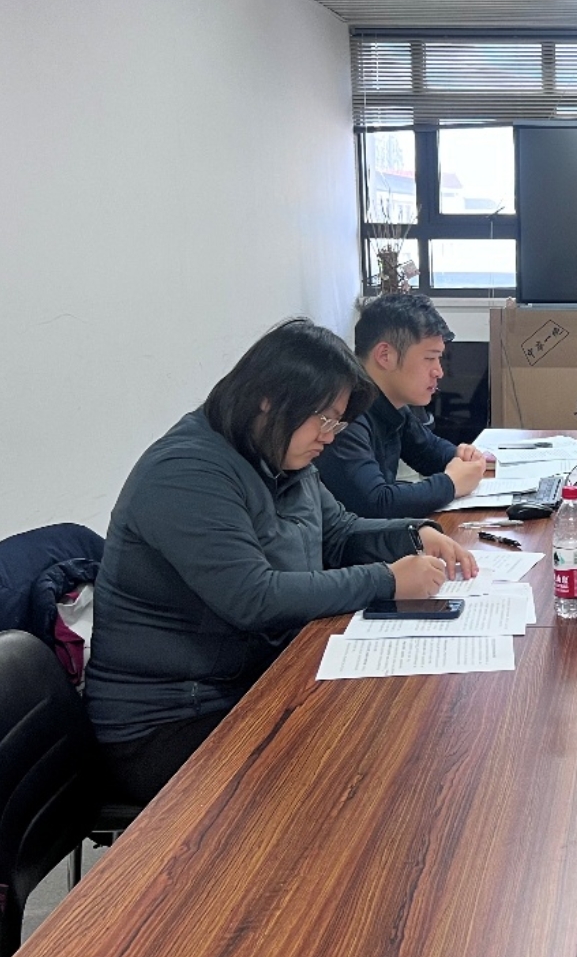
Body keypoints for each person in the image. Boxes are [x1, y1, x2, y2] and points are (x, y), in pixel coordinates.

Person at [86, 318, 478, 802]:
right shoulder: (187, 472)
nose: (330, 437)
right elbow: (254, 597)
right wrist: (387, 579)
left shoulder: (276, 451)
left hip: (253, 680)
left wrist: (414, 535)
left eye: (337, 423)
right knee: (359, 774)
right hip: (170, 722)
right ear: (269, 400)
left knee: (396, 728)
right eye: (324, 420)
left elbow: (339, 532)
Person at [317, 294, 487, 518]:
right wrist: (451, 484)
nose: (439, 372)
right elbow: (376, 503)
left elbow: (428, 452)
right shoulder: (346, 412)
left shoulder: (390, 404)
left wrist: (462, 455)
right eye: (430, 358)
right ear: (385, 356)